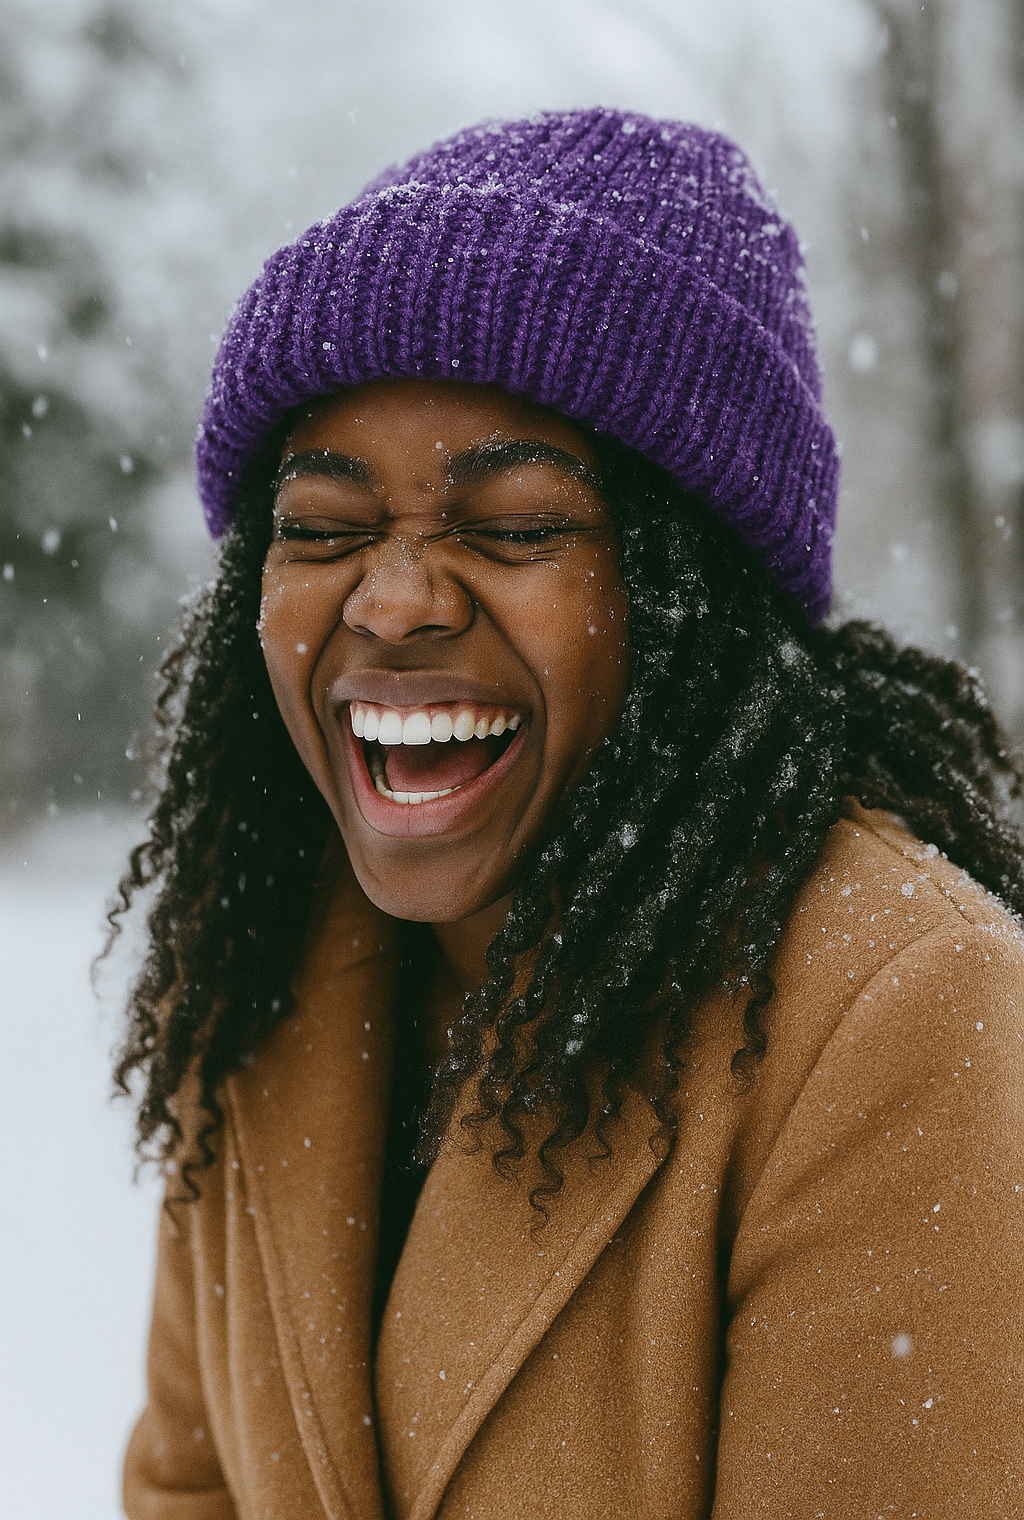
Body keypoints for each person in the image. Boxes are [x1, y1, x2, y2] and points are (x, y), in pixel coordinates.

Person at [117, 109, 1024, 1520]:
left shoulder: (906, 1019)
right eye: (324, 530)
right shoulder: (257, 976)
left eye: (517, 527)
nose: (394, 601)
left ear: (687, 597)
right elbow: (187, 1490)